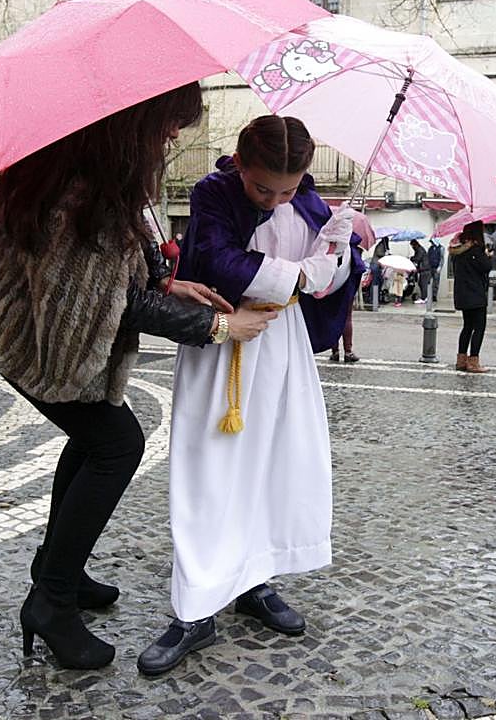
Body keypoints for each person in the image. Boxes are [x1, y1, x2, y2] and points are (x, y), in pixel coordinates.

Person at [0, 82, 278, 670]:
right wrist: (221, 328)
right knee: (117, 444)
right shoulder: (77, 188)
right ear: (137, 121)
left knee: (96, 436)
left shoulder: (83, 164)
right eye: (170, 123)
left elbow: (110, 276)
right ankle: (51, 602)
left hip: (10, 321)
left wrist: (167, 282)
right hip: (21, 334)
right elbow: (104, 302)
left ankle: (56, 569)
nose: (174, 136)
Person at [137, 115, 362, 676]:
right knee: (210, 470)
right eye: (263, 188)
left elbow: (334, 277)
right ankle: (195, 608)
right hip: (226, 343)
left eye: (287, 189)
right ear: (240, 163)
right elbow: (215, 261)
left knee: (272, 463)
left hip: (281, 348)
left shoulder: (311, 203)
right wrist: (301, 274)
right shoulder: (214, 194)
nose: (275, 198)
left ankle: (255, 578)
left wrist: (339, 254)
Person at [449, 221, 492, 373]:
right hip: (476, 295)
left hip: (463, 294)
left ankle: (461, 360)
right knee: (479, 328)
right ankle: (473, 362)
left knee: (467, 327)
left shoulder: (457, 251)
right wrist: (486, 254)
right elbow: (487, 267)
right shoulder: (475, 250)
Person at [410, 239, 431, 304]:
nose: (412, 247)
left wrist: (411, 258)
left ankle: (424, 298)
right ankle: (424, 297)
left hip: (425, 270)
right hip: (423, 269)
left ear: (414, 244)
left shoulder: (420, 250)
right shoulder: (419, 249)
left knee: (423, 284)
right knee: (421, 283)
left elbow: (417, 258)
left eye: (412, 246)